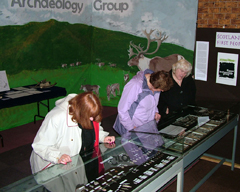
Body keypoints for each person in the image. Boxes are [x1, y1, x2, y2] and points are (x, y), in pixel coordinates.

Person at [30, 92, 115, 174]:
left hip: (80, 162)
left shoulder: (89, 112)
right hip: (53, 168)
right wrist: (57, 156)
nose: (92, 120)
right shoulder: (56, 117)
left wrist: (102, 137)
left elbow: (93, 130)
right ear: (80, 112)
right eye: (89, 116)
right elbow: (40, 145)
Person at [113, 69, 173, 135]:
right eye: (161, 89)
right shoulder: (134, 85)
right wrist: (132, 128)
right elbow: (122, 110)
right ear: (154, 86)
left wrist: (155, 113)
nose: (162, 91)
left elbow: (153, 104)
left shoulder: (156, 86)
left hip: (146, 129)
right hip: (131, 129)